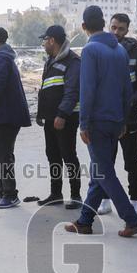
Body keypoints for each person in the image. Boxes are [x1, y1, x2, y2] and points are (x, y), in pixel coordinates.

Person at [63, 6, 137, 237]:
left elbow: (87, 89)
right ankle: (85, 221)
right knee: (100, 170)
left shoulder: (90, 49)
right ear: (104, 24)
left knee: (104, 173)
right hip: (115, 119)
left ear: (84, 26)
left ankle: (131, 218)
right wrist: (123, 121)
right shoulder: (119, 50)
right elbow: (127, 89)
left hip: (97, 120)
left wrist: (84, 122)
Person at [97, 12, 137, 215]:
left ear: (127, 30)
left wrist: (128, 103)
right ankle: (105, 199)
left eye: (121, 28)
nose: (116, 32)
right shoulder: (100, 52)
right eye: (113, 27)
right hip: (107, 117)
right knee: (105, 161)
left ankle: (134, 200)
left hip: (129, 117)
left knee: (131, 161)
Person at [0, 26, 31, 208]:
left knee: (2, 155)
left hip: (7, 114)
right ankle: (3, 190)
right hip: (6, 113)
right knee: (4, 153)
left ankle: (10, 194)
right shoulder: (2, 57)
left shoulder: (1, 58)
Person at [35, 25, 81, 208]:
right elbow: (47, 88)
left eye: (44, 39)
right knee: (53, 155)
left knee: (68, 155)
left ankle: (76, 195)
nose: (43, 43)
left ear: (52, 40)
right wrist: (41, 113)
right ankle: (56, 194)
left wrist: (62, 114)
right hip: (50, 117)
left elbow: (72, 91)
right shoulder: (51, 60)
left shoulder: (73, 61)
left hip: (66, 118)